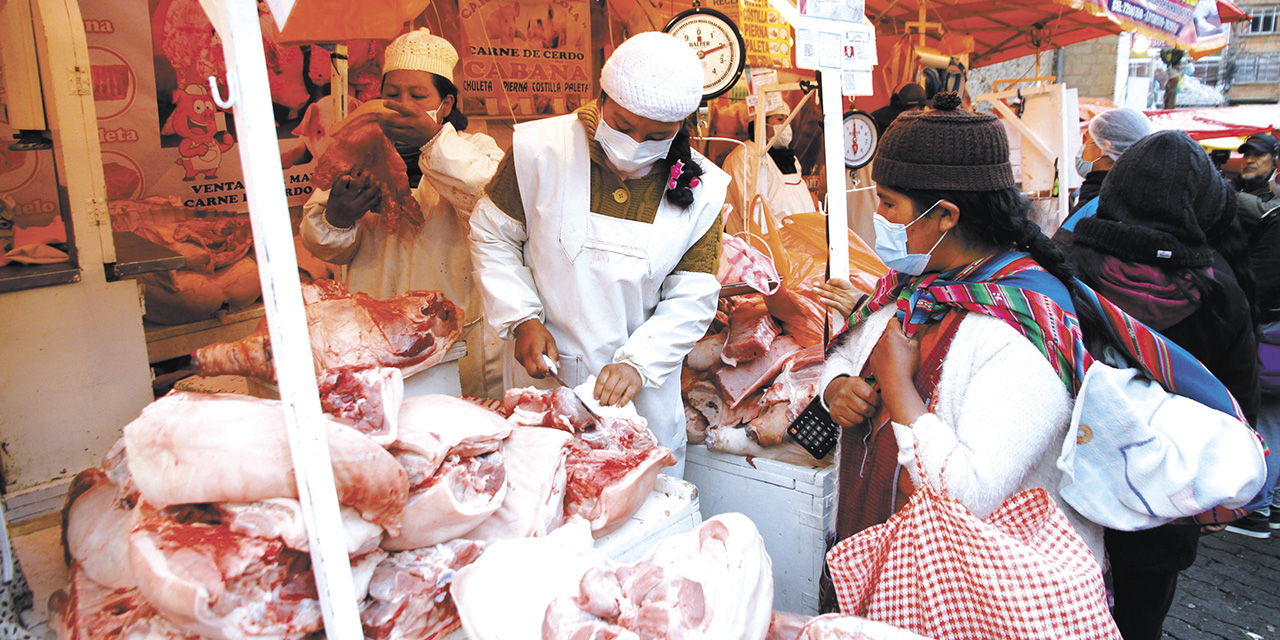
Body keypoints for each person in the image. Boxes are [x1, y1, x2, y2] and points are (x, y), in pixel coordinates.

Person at [819, 92, 1110, 591]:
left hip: (972, 590)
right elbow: (848, 350)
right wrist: (838, 385)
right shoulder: (913, 284)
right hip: (887, 562)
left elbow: (971, 493)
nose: (880, 217)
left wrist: (898, 388)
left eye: (888, 203)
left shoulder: (1018, 329)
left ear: (945, 216)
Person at [469, 32, 730, 475]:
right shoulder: (539, 152)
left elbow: (693, 296)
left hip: (644, 397)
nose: (634, 143)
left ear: (683, 127)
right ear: (601, 97)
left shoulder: (705, 189)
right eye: (623, 125)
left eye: (657, 135)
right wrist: (522, 318)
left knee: (643, 521)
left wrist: (639, 365)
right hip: (546, 382)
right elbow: (492, 236)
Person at [1065, 130, 1260, 639]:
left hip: (1068, 495)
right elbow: (1237, 407)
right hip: (1163, 508)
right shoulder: (1220, 293)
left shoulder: (1064, 269)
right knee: (1137, 621)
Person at [299, 28, 505, 399]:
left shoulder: (478, 150)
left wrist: (431, 142)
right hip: (376, 336)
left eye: (418, 95)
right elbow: (326, 244)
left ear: (445, 104)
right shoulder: (358, 154)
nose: (403, 104)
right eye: (392, 95)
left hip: (458, 336)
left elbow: (485, 198)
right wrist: (338, 217)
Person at [1054, 107, 1152, 244]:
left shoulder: (1101, 207)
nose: (1081, 148)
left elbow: (1061, 256)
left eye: (1086, 140)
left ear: (1105, 148)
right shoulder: (1119, 197)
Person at [722, 96, 818, 235]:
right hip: (761, 247)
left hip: (798, 244)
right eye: (780, 119)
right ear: (761, 122)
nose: (786, 125)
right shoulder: (743, 157)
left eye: (787, 119)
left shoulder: (791, 159)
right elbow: (752, 210)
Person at [1231, 133, 1279, 201]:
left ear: (1275, 162)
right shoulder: (1231, 186)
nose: (1249, 160)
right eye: (1247, 155)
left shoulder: (1276, 195)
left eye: (1258, 155)